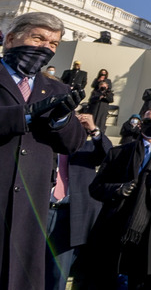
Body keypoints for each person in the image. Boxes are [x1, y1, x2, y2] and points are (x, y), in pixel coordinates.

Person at [0, 12, 86, 290]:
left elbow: (74, 143)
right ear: (11, 39)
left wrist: (60, 118)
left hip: (29, 208)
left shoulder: (56, 88)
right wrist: (23, 115)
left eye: (53, 44)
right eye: (38, 38)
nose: (45, 48)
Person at [83, 105, 151, 289]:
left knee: (141, 282)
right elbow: (96, 188)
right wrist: (117, 189)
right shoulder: (119, 152)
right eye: (148, 121)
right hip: (116, 226)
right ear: (140, 124)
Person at [44, 111, 111, 290]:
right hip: (38, 211)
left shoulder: (85, 147)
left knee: (56, 276)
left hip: (67, 217)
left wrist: (94, 131)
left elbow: (108, 156)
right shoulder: (42, 144)